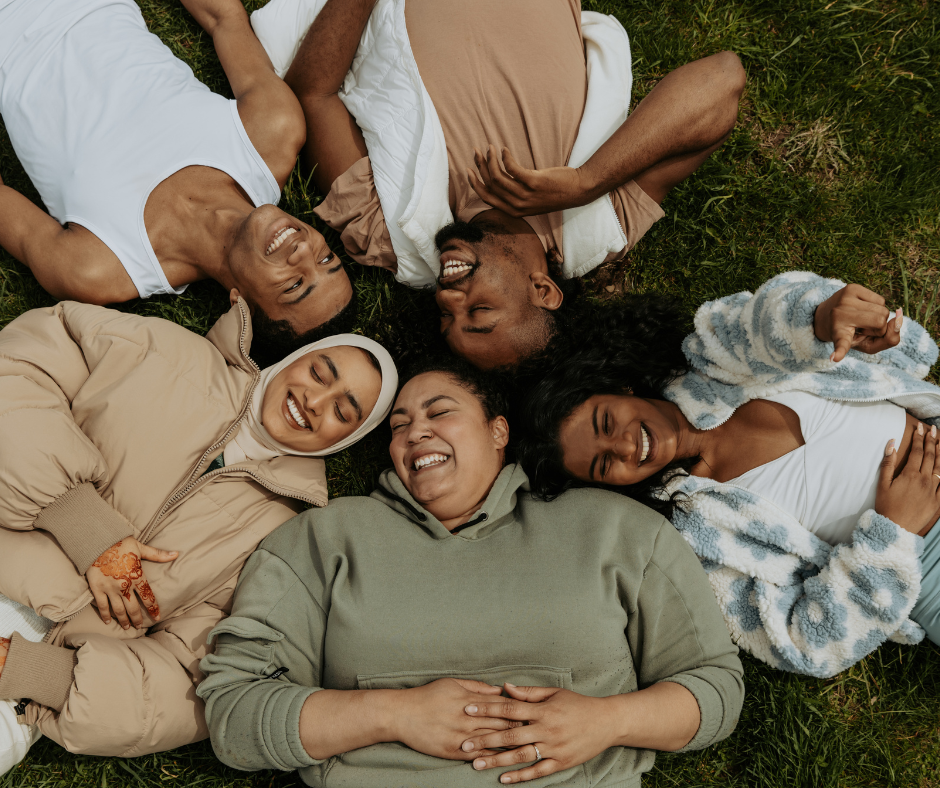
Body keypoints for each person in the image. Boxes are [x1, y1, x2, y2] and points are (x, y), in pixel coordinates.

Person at [197, 357, 743, 787]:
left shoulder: (618, 530)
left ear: (498, 430)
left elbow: (715, 688)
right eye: (399, 425)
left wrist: (606, 723)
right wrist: (393, 713)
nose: (415, 433)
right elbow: (233, 715)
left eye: (440, 412)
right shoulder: (321, 539)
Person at [0, 295, 398, 772]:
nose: (314, 402)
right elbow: (21, 367)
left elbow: (195, 671)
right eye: (320, 373)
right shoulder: (162, 351)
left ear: (348, 438)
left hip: (29, 675)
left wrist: (40, 674)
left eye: (344, 410)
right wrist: (80, 522)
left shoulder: (289, 536)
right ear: (297, 357)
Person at [248, 0, 746, 369]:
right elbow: (722, 79)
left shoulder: (385, 232)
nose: (447, 299)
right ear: (544, 290)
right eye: (478, 311)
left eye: (446, 319)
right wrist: (585, 182)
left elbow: (314, 93)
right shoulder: (602, 221)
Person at [517, 270, 940, 678]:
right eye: (604, 464)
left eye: (607, 422)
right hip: (927, 560)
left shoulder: (715, 359)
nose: (626, 446)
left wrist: (819, 319)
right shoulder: (696, 542)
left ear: (617, 387)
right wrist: (893, 533)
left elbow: (771, 319)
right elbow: (806, 644)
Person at [0, 0, 355, 366]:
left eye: (293, 284)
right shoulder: (271, 134)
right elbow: (224, 19)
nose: (302, 252)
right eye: (326, 258)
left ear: (241, 305)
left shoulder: (99, 267)